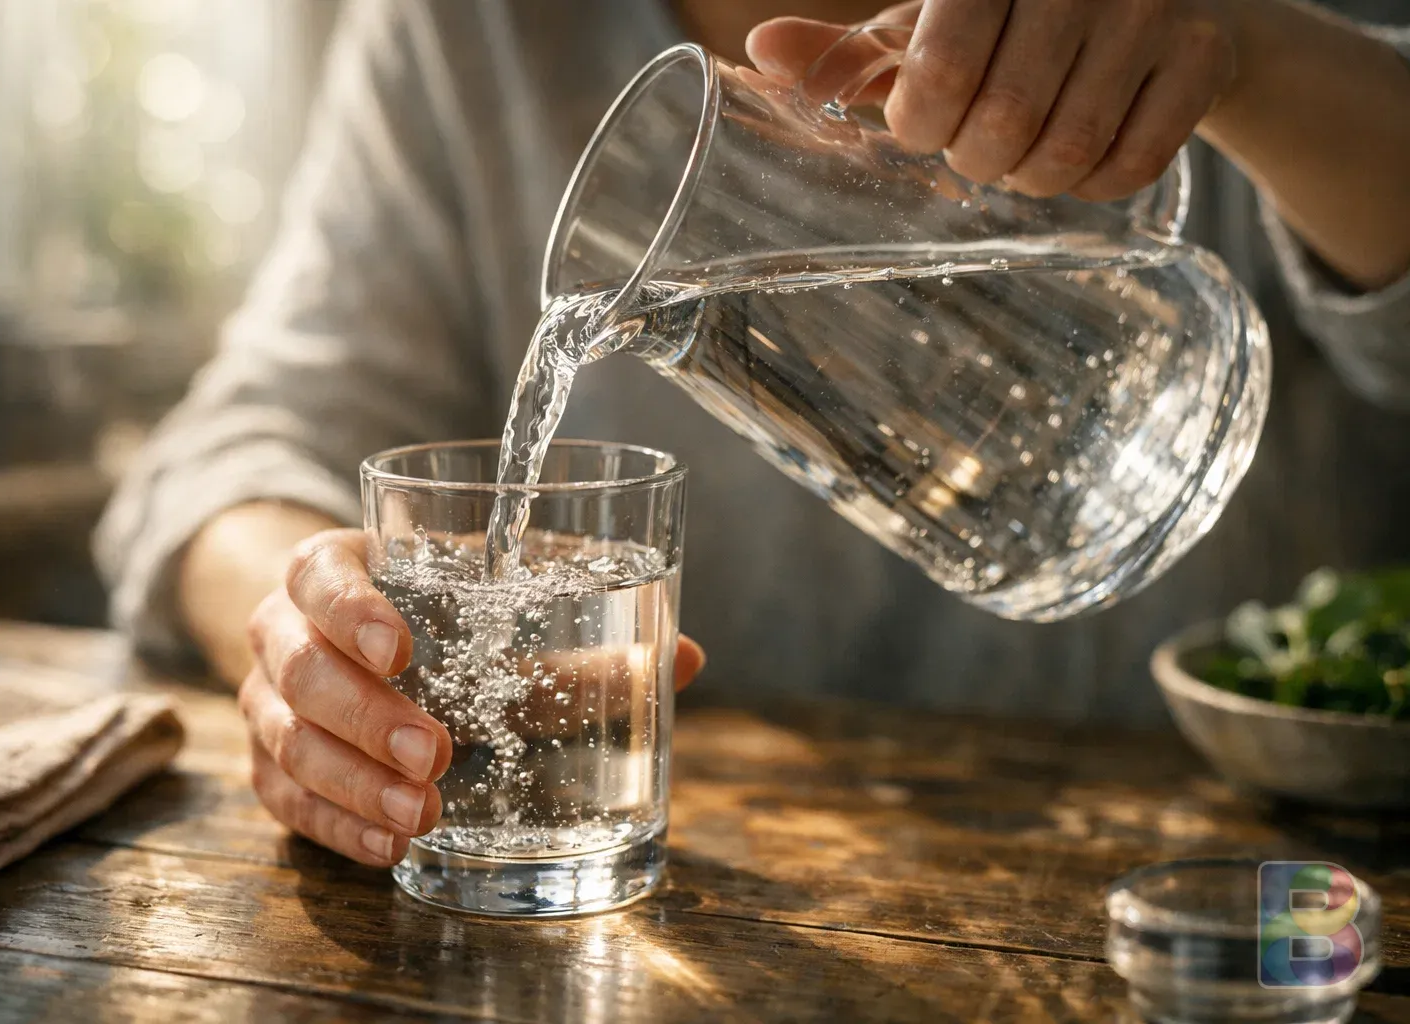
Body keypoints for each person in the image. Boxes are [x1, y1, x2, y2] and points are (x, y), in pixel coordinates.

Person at [97, 0, 1410, 867]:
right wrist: (313, 634)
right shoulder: (471, 29)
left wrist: (1248, 53)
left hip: (1259, 877)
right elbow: (242, 445)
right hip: (755, 907)